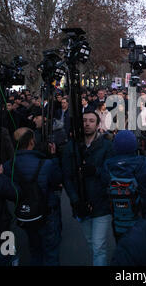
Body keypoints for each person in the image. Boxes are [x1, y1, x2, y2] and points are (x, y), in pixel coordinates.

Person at [61, 111, 115, 266]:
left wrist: (96, 171)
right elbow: (67, 177)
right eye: (84, 120)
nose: (87, 124)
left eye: (91, 121)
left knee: (98, 245)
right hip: (81, 204)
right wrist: (76, 200)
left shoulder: (107, 146)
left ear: (98, 125)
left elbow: (112, 174)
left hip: (101, 204)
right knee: (91, 241)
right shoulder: (71, 147)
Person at [3, 128, 63, 266]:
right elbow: (57, 181)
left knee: (34, 249)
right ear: (32, 141)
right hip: (47, 211)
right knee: (51, 252)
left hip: (26, 213)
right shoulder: (46, 163)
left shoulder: (8, 166)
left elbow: (9, 189)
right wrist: (54, 158)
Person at [103, 130, 146, 241]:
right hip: (142, 214)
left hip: (118, 216)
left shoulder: (107, 164)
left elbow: (103, 183)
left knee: (122, 247)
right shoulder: (143, 163)